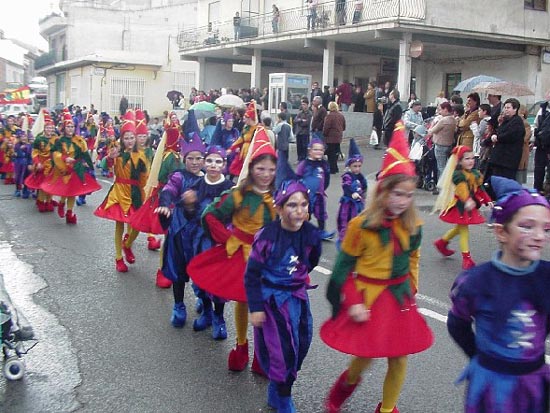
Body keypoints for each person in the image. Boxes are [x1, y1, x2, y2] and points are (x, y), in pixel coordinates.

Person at [321, 121, 434, 413]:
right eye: (396, 193)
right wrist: (354, 302)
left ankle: (387, 409)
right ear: (382, 191)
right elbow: (343, 269)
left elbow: (412, 259)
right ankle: (339, 393)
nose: (402, 201)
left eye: (408, 195)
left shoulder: (413, 226)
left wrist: (412, 287)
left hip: (398, 297)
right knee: (365, 358)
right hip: (369, 297)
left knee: (399, 357)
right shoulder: (361, 225)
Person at [447, 175, 550, 413]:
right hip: (492, 383)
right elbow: (457, 324)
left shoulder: (546, 277)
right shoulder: (477, 281)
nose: (539, 236)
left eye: (545, 228)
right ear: (501, 232)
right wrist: (480, 357)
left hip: (534, 381)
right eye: (527, 226)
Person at [187, 129, 277, 373]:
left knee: (266, 305)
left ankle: (262, 354)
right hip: (242, 255)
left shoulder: (278, 196)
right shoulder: (238, 195)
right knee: (244, 301)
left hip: (268, 257)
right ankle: (241, 345)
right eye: (261, 168)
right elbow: (210, 215)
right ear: (251, 169)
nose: (266, 174)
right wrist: (229, 239)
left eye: (271, 169)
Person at [245, 156, 321, 413]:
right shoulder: (266, 237)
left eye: (303, 205)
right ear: (279, 208)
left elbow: (311, 261)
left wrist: (295, 281)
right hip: (272, 302)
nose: (299, 211)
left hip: (297, 299)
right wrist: (256, 306)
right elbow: (252, 274)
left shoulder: (311, 234)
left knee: (300, 343)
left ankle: (277, 387)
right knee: (283, 351)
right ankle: (284, 398)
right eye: (292, 205)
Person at [153, 134, 208, 327]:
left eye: (198, 158)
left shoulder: (210, 179)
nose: (194, 162)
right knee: (178, 270)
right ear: (184, 159)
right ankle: (178, 305)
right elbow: (169, 189)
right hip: (180, 232)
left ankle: (203, 299)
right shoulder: (179, 176)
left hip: (201, 234)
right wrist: (166, 204)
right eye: (190, 158)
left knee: (202, 270)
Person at [129, 124, 184, 288]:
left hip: (166, 196)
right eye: (178, 138)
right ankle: (161, 271)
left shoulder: (171, 156)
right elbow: (168, 176)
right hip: (165, 197)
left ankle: (163, 270)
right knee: (154, 228)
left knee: (162, 232)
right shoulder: (172, 158)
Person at [94, 110, 149, 272]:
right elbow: (104, 165)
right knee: (119, 225)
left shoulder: (141, 155)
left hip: (135, 192)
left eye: (132, 137)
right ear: (122, 139)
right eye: (126, 138)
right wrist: (109, 158)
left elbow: (144, 177)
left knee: (137, 225)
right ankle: (118, 258)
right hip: (119, 192)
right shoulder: (117, 153)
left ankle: (128, 244)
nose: (130, 141)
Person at [433, 146, 493, 270]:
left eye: (472, 158)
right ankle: (466, 258)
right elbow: (462, 190)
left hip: (469, 204)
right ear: (459, 161)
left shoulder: (475, 174)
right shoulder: (458, 175)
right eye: (467, 159)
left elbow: (480, 189)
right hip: (460, 205)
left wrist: (488, 200)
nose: (471, 161)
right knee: (464, 229)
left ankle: (442, 242)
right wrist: (468, 200)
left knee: (460, 228)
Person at [41, 109, 101, 224]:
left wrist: (88, 164)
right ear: (64, 128)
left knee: (72, 192)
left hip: (75, 168)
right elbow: (55, 154)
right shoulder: (59, 141)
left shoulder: (79, 140)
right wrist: (64, 158)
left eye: (72, 127)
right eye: (68, 127)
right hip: (63, 169)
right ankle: (61, 203)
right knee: (65, 191)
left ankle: (69, 212)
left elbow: (85, 153)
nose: (70, 129)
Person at [484, 98, 526, 197]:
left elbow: (510, 135)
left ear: (515, 109)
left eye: (508, 108)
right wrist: (488, 140)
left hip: (507, 160)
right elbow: (498, 132)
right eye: (505, 107)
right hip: (499, 159)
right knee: (492, 180)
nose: (506, 110)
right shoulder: (506, 121)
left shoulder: (517, 122)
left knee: (504, 183)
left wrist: (497, 138)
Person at [297, 138, 333, 240]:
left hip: (319, 194)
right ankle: (303, 231)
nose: (319, 152)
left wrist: (322, 189)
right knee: (306, 213)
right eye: (316, 149)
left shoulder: (324, 164)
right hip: (306, 196)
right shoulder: (304, 164)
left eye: (321, 150)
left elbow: (326, 178)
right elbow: (297, 178)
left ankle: (322, 231)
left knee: (321, 213)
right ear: (310, 151)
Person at [336, 138, 367, 250]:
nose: (357, 168)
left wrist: (363, 194)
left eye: (359, 166)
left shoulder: (360, 176)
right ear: (349, 166)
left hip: (358, 203)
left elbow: (364, 185)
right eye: (355, 166)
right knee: (347, 222)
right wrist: (352, 193)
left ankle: (357, 240)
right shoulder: (347, 176)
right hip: (348, 205)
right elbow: (346, 185)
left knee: (360, 222)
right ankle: (344, 241)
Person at [25, 109, 58, 212]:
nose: (50, 129)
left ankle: (49, 201)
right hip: (42, 164)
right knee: (43, 184)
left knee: (51, 184)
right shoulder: (39, 139)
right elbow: (35, 152)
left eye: (51, 128)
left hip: (53, 164)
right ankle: (40, 201)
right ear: (44, 128)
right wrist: (37, 162)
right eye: (48, 127)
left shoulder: (56, 139)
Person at [427, 101, 456, 185]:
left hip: (440, 144)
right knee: (446, 165)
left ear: (446, 110)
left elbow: (432, 131)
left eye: (441, 110)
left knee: (441, 167)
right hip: (449, 144)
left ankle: (442, 185)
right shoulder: (453, 119)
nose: (439, 112)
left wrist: (432, 124)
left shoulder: (443, 120)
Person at [228, 100, 259, 177]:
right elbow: (240, 139)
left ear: (250, 118)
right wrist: (231, 148)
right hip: (243, 151)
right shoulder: (245, 128)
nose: (243, 119)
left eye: (245, 118)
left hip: (252, 151)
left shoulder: (257, 128)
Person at [532, 99, 550, 194]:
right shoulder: (542, 109)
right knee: (539, 170)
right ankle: (537, 192)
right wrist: (535, 139)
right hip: (541, 145)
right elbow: (536, 125)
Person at [323, 101, 346, 174]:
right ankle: (335, 168)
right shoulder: (341, 116)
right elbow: (344, 126)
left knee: (330, 153)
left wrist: (324, 134)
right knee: (335, 152)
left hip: (330, 137)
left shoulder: (329, 116)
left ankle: (332, 168)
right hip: (338, 137)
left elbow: (326, 127)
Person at [293, 98, 312, 162]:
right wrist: (301, 120)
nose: (303, 106)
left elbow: (306, 123)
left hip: (305, 133)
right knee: (299, 147)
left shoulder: (309, 113)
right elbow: (295, 120)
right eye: (302, 104)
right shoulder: (300, 113)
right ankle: (299, 158)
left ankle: (304, 159)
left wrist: (300, 121)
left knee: (305, 147)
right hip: (299, 132)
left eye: (304, 104)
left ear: (307, 105)